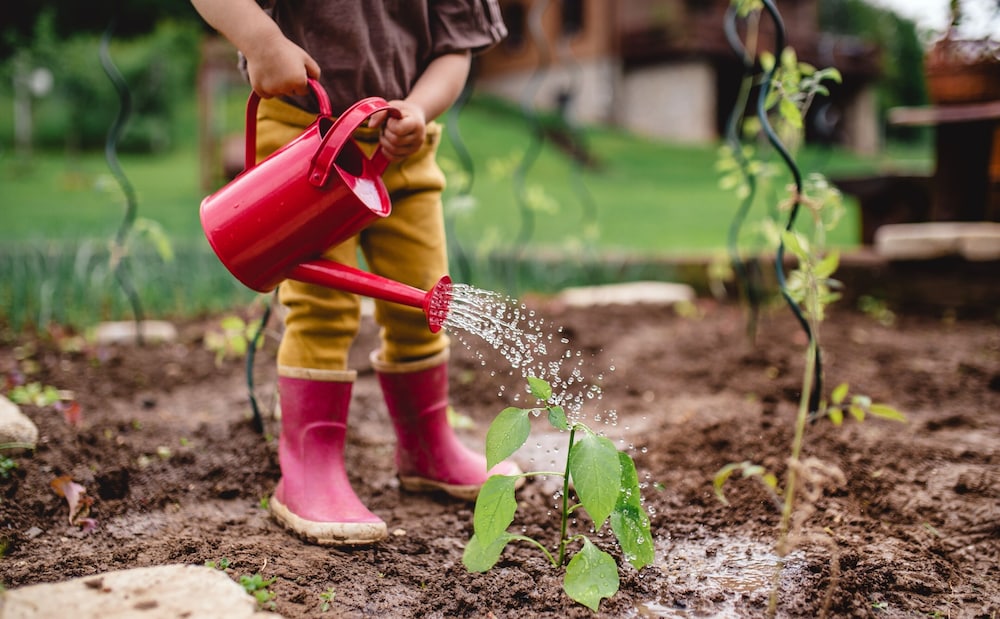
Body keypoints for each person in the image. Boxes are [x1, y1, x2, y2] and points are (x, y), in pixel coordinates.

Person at [190, 0, 520, 546]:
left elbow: (455, 49)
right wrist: (262, 42)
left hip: (403, 148)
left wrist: (418, 107)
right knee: (323, 310)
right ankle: (308, 467)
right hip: (304, 140)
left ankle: (427, 445)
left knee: (423, 300)